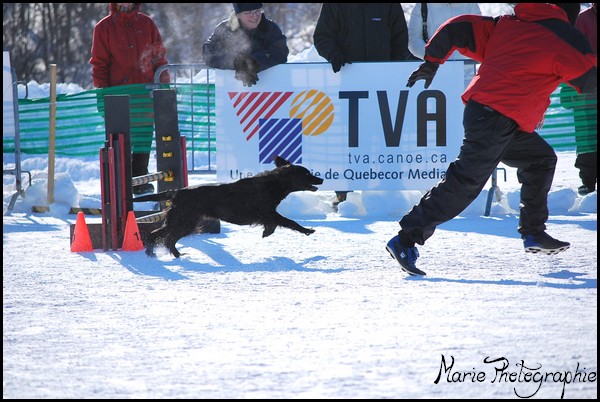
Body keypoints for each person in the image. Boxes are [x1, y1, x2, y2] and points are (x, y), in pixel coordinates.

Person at [385, 3, 597, 276]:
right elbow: (589, 79)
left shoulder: (506, 24)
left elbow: (455, 27)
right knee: (464, 183)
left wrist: (432, 61)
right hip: (497, 119)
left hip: (488, 115)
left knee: (540, 159)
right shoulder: (563, 38)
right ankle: (405, 240)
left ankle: (534, 232)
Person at [313, 3, 411, 205]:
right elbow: (322, 36)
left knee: (389, 138)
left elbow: (400, 37)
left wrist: (393, 68)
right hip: (351, 84)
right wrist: (334, 54)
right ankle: (346, 194)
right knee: (354, 140)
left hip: (384, 85)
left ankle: (391, 191)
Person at [90, 3, 170, 195]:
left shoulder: (147, 23)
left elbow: (159, 60)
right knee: (119, 142)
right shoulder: (103, 28)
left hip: (145, 96)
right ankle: (119, 186)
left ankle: (140, 181)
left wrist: (164, 90)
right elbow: (99, 66)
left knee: (143, 139)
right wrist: (102, 96)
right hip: (118, 98)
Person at [202, 3, 289, 87]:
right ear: (238, 14)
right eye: (248, 13)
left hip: (271, 91)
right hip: (230, 93)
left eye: (257, 11)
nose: (255, 16)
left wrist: (254, 62)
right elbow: (209, 54)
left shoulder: (270, 28)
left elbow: (281, 52)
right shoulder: (225, 29)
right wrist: (237, 63)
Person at [560, 3, 597, 195]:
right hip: (586, 88)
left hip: (586, 85)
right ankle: (588, 182)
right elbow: (572, 52)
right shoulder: (583, 19)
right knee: (587, 138)